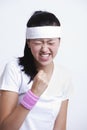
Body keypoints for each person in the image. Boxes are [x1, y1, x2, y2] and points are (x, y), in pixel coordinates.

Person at [0, 10, 73, 130]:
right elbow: (4, 128)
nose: (45, 49)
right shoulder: (14, 69)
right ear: (28, 43)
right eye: (38, 43)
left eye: (51, 42)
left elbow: (60, 127)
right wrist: (33, 94)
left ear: (59, 42)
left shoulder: (64, 75)